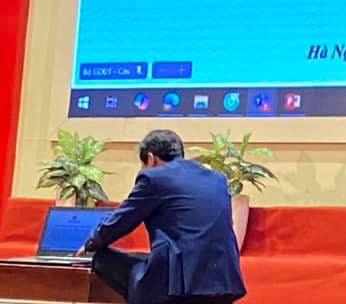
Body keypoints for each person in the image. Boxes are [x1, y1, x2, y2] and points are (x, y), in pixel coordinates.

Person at [80, 129, 246, 304]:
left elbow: (121, 220)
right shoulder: (217, 179)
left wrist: (91, 243)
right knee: (143, 262)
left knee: (102, 259)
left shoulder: (154, 178)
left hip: (179, 287)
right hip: (225, 282)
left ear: (151, 158)